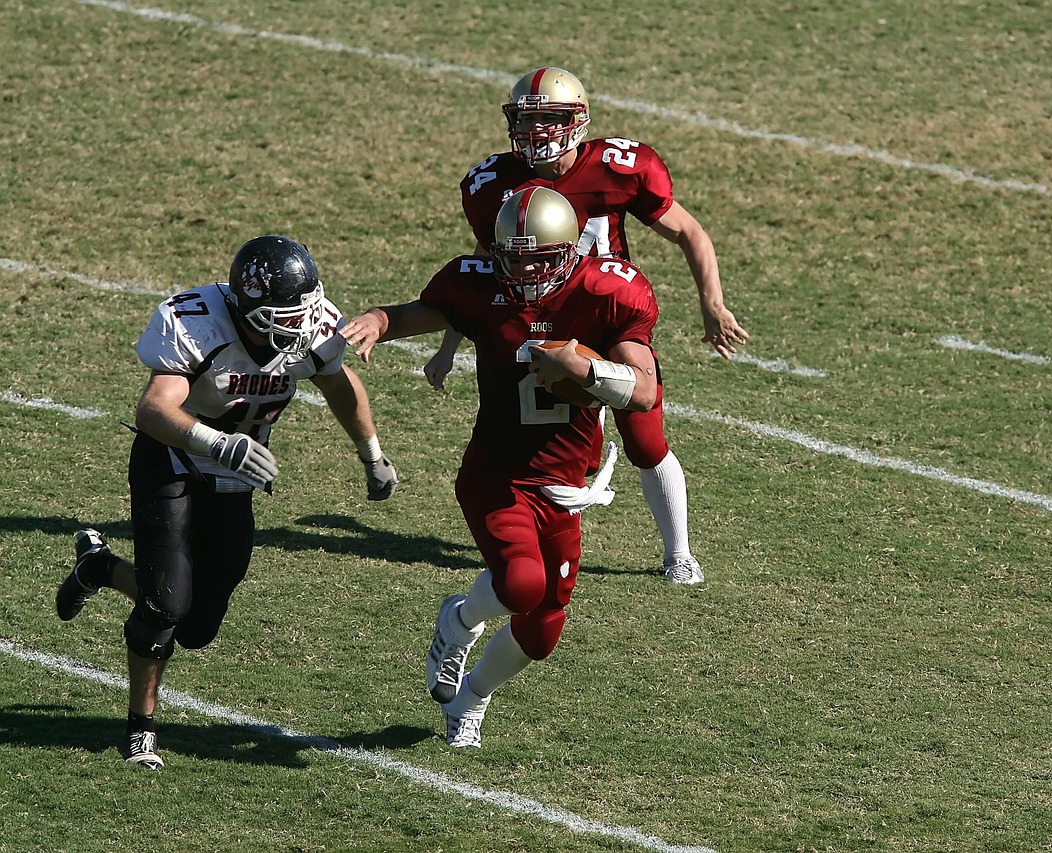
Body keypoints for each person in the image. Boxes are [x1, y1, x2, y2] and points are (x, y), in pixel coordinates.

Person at [55, 235, 398, 771]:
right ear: (249, 307)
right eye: (286, 312)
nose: (302, 322)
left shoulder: (312, 325)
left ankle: (98, 566)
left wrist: (371, 453)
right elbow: (152, 410)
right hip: (173, 458)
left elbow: (338, 382)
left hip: (239, 473)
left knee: (196, 626)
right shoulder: (195, 321)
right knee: (166, 605)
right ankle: (139, 730)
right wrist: (220, 444)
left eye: (305, 306)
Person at [341, 187, 659, 748]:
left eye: (537, 259)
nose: (522, 271)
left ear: (570, 252)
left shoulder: (607, 290)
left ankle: (472, 697)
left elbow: (644, 389)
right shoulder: (481, 282)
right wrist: (378, 319)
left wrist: (582, 368)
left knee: (542, 632)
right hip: (498, 473)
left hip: (563, 481)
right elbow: (429, 311)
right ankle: (459, 620)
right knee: (521, 583)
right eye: (512, 257)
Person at [426, 65, 749, 585]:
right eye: (526, 121)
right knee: (540, 436)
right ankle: (540, 546)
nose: (536, 134)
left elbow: (689, 230)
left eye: (550, 119)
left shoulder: (620, 168)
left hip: (607, 313)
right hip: (535, 319)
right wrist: (451, 342)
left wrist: (712, 303)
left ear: (577, 120)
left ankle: (679, 552)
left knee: (645, 437)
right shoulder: (491, 186)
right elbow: (487, 271)